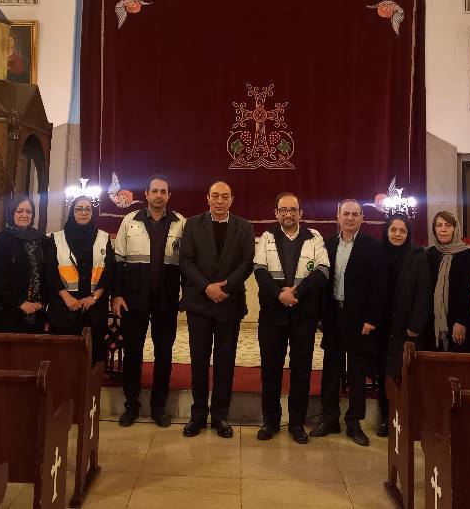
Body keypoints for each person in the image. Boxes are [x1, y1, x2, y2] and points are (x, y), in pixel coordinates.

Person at [179, 181, 255, 439]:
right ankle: (198, 414)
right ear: (208, 198)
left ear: (232, 200)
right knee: (199, 360)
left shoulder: (244, 227)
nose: (219, 200)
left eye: (225, 196)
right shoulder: (192, 224)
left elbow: (246, 262)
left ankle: (221, 415)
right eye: (215, 196)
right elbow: (186, 260)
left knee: (225, 361)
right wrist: (206, 287)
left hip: (229, 302)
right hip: (199, 303)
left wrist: (225, 286)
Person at [253, 192, 330, 444]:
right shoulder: (266, 237)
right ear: (276, 213)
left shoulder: (314, 237)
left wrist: (295, 293)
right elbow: (260, 272)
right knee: (270, 370)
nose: (288, 214)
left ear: (300, 213)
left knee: (301, 371)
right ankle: (271, 422)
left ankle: (296, 424)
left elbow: (322, 272)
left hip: (303, 316)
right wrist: (279, 295)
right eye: (283, 210)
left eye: (293, 210)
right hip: (272, 316)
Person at [110, 175, 186, 428]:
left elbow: (188, 262)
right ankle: (131, 406)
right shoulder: (129, 221)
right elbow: (118, 260)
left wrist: (186, 295)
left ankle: (158, 407)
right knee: (133, 353)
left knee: (164, 354)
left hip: (166, 300)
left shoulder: (181, 223)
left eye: (163, 191)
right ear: (146, 194)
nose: (159, 195)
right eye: (155, 191)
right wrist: (116, 295)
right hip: (134, 300)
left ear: (169, 196)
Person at [312, 199, 384, 446]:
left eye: (355, 214)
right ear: (338, 217)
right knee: (331, 371)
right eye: (346, 214)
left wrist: (372, 319)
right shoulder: (327, 245)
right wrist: (320, 315)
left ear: (362, 218)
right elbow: (321, 282)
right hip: (333, 316)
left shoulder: (372, 247)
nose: (350, 218)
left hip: (360, 319)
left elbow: (379, 287)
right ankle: (329, 419)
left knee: (356, 373)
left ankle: (354, 423)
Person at [376, 213, 430, 436]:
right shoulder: (378, 253)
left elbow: (423, 292)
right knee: (383, 373)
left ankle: (404, 421)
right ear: (386, 231)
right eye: (393, 230)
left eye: (402, 231)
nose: (397, 234)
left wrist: (415, 325)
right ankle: (385, 419)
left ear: (408, 234)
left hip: (405, 325)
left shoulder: (417, 256)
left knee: (402, 374)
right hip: (381, 325)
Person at [44, 196, 114, 365]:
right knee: (64, 359)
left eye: (88, 209)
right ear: (72, 212)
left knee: (92, 359)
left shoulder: (103, 238)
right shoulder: (55, 238)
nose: (84, 212)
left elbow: (109, 272)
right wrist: (67, 297)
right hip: (64, 309)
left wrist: (94, 297)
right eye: (79, 209)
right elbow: (50, 272)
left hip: (93, 310)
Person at [0, 195, 46, 333]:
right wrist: (20, 303)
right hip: (10, 311)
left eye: (28, 212)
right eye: (19, 211)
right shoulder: (1, 240)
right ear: (12, 213)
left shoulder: (41, 239)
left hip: (37, 310)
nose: (24, 215)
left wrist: (42, 302)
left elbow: (47, 273)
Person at [425, 211, 470, 353]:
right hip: (434, 322)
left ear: (455, 229)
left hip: (460, 322)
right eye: (439, 225)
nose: (443, 229)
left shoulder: (467, 254)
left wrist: (461, 321)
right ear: (434, 229)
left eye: (448, 225)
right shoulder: (430, 253)